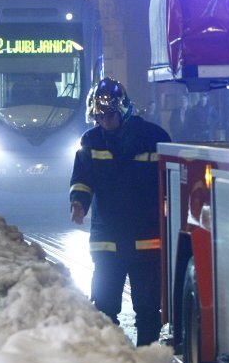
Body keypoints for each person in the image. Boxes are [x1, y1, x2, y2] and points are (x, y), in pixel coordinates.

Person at [69, 77, 171, 346]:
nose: (104, 122)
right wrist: (79, 202)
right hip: (107, 239)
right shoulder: (89, 142)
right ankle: (112, 361)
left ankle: (147, 359)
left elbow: (169, 181)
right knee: (103, 307)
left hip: (146, 239)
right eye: (99, 117)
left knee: (148, 308)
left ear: (123, 110)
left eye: (109, 116)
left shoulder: (153, 138)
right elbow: (82, 178)